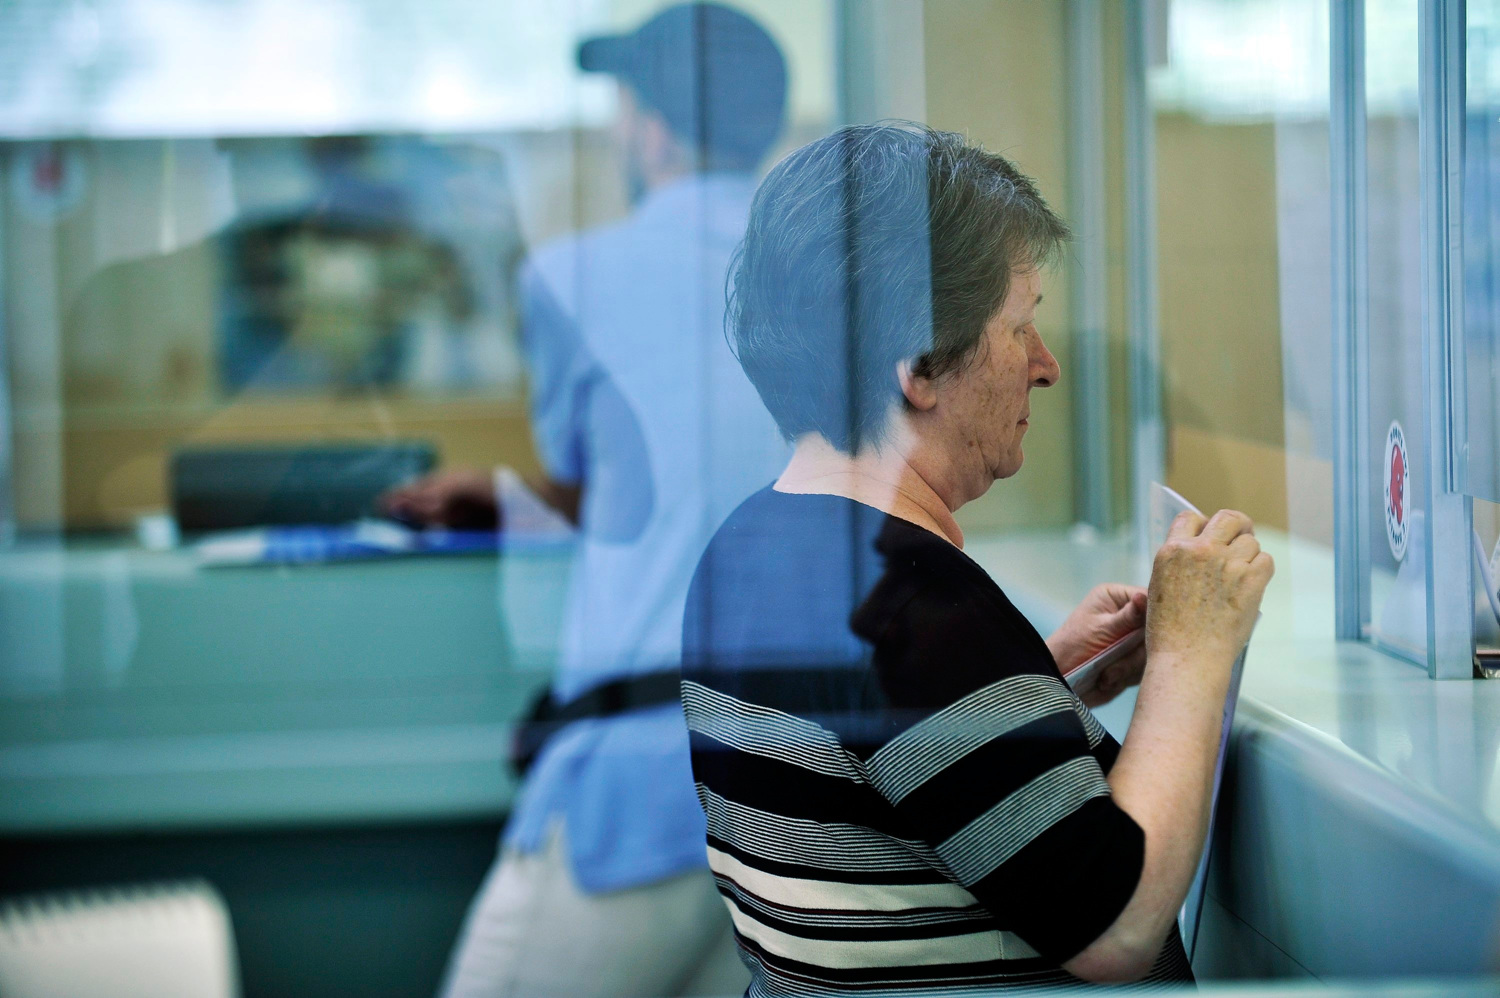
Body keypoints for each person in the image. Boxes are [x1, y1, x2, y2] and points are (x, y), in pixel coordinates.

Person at [680, 122, 1274, 993]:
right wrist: (1191, 651)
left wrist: (1041, 689)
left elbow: (874, 789)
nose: (1046, 366)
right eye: (1021, 327)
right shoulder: (910, 608)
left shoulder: (749, 548)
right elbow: (1113, 926)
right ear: (921, 365)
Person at [383, 5, 790, 996]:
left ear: (648, 128)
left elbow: (618, 479)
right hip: (810, 790)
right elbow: (702, 478)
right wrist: (522, 501)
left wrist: (527, 494)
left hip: (641, 784)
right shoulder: (836, 289)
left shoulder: (571, 277)